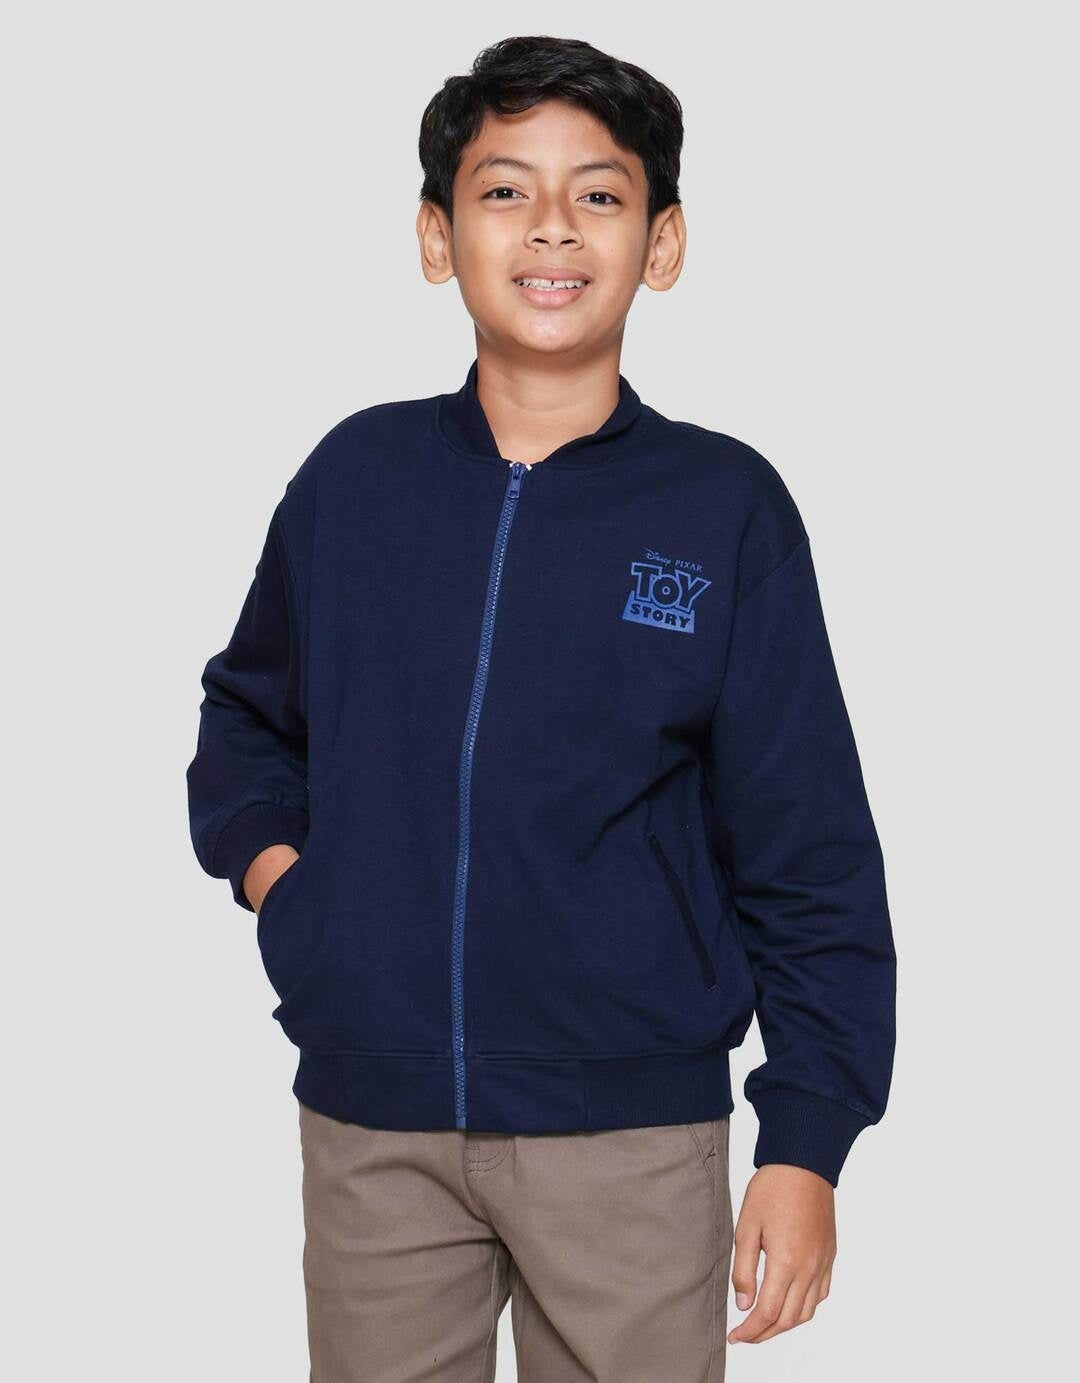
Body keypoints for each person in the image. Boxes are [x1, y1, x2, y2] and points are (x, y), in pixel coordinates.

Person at [185, 33, 897, 1383]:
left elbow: (807, 845)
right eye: (505, 190)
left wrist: (807, 1141)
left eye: (600, 194)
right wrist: (298, 895)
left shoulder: (723, 508)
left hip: (630, 1141)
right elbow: (248, 722)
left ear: (662, 242)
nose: (552, 226)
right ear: (436, 236)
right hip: (376, 1127)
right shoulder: (356, 481)